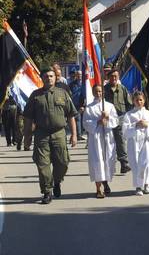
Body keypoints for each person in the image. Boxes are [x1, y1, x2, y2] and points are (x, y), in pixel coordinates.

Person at [23, 68, 78, 204]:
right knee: (43, 165)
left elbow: (71, 115)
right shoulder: (35, 96)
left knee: (63, 162)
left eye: (51, 76)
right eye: (46, 76)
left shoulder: (63, 94)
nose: (49, 78)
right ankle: (47, 191)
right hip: (41, 134)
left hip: (59, 133)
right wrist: (27, 137)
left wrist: (74, 135)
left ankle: (57, 181)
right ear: (42, 78)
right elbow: (28, 118)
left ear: (55, 78)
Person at [83, 84, 118, 198]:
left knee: (108, 160)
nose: (99, 94)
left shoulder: (109, 106)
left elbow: (116, 120)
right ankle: (98, 188)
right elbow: (86, 123)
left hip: (107, 136)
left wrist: (108, 118)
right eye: (96, 91)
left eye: (100, 91)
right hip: (96, 138)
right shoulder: (89, 107)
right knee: (97, 162)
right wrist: (97, 122)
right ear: (93, 93)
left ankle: (106, 182)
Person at [122, 91, 149, 196]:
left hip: (146, 141)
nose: (139, 102)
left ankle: (147, 183)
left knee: (148, 162)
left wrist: (147, 125)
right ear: (133, 101)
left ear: (144, 101)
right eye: (136, 100)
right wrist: (136, 125)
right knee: (136, 163)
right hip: (134, 142)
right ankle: (138, 186)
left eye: (141, 99)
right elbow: (125, 130)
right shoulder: (129, 115)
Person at [104, 68, 132, 174]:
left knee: (120, 142)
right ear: (108, 78)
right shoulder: (104, 89)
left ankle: (124, 164)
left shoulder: (122, 89)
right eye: (112, 76)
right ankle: (110, 165)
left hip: (120, 119)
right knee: (109, 142)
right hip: (108, 120)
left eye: (116, 76)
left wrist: (128, 118)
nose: (114, 78)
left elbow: (129, 104)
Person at [68, 70, 85, 140]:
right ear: (76, 75)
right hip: (75, 104)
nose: (79, 76)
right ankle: (79, 135)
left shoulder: (85, 83)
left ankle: (80, 133)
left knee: (83, 119)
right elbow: (69, 93)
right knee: (78, 119)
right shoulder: (72, 84)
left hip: (84, 104)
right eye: (78, 75)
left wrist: (84, 105)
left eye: (80, 75)